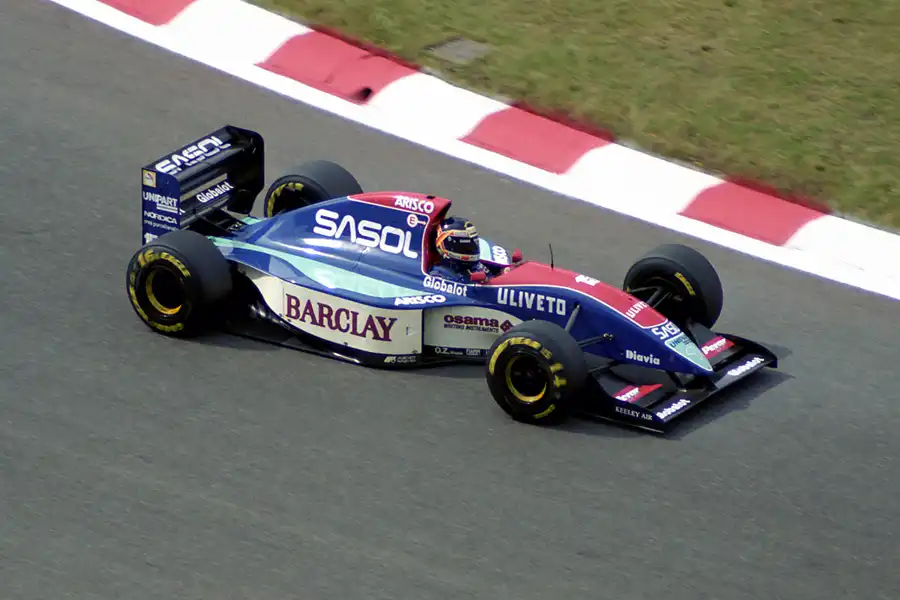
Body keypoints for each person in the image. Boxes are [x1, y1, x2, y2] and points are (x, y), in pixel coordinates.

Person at [428, 216, 490, 283]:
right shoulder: (440, 276)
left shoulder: (472, 266)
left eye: (473, 243)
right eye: (465, 246)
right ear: (449, 246)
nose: (471, 248)